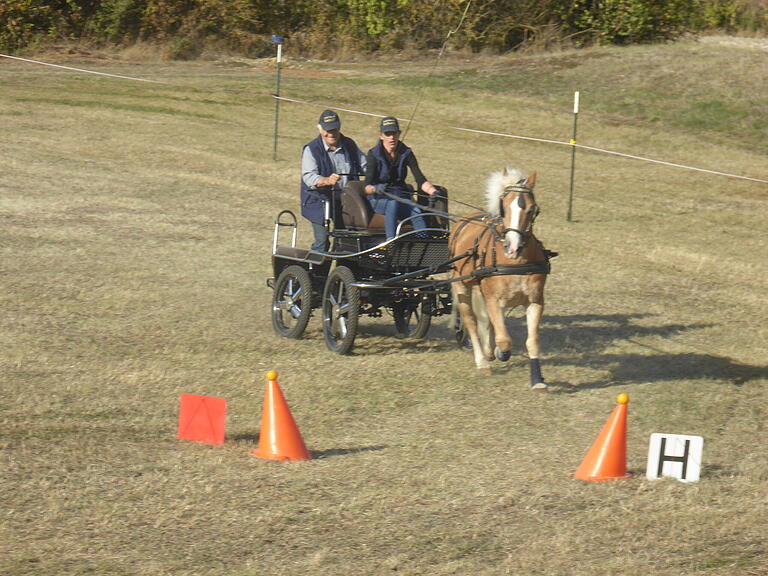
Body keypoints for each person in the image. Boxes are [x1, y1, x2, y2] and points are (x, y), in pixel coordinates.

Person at [300, 110, 367, 251]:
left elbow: (365, 166)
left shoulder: (349, 145)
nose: (331, 134)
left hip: (344, 200)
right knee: (322, 241)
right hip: (319, 200)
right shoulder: (311, 149)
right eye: (327, 130)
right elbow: (308, 177)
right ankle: (316, 271)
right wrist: (326, 180)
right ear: (320, 129)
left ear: (339, 128)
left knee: (347, 240)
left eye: (334, 129)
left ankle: (341, 271)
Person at [364, 116, 438, 239]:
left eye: (395, 133)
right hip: (378, 199)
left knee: (416, 211)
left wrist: (433, 191)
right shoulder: (373, 154)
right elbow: (366, 187)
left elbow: (420, 178)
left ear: (399, 134)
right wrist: (375, 189)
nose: (392, 137)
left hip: (401, 198)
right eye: (388, 134)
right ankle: (391, 242)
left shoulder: (406, 153)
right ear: (381, 135)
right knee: (392, 204)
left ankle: (423, 243)